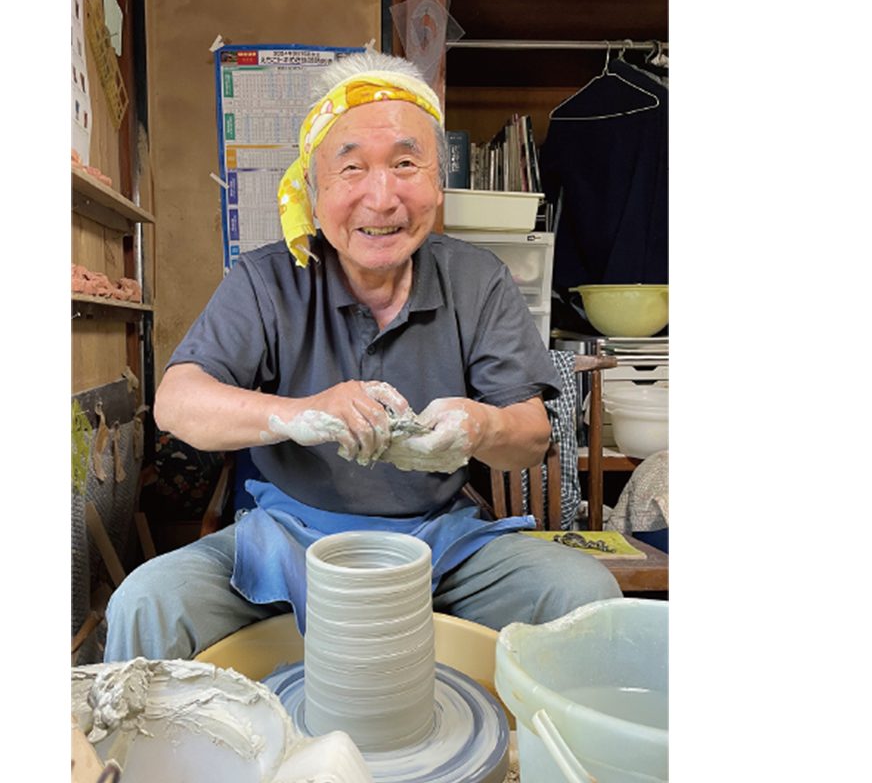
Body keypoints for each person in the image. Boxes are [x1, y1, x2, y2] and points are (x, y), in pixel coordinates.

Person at [104, 50, 620, 662]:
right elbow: (177, 402)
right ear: (313, 190)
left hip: (442, 541)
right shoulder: (268, 279)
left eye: (405, 164)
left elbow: (531, 436)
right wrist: (301, 414)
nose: (382, 198)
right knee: (148, 603)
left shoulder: (478, 280)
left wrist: (480, 426)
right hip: (287, 534)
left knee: (585, 595)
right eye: (351, 168)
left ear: (437, 182)